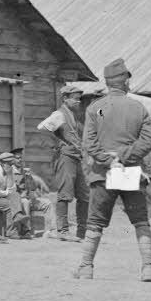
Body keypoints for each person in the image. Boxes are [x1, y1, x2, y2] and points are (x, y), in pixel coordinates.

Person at [76, 57, 151, 282]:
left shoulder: (96, 109)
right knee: (140, 220)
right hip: (130, 173)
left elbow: (89, 144)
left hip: (102, 174)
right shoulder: (138, 108)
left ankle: (86, 268)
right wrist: (123, 156)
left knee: (94, 222)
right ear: (125, 82)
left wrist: (109, 159)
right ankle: (148, 268)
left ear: (107, 83)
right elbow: (147, 142)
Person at [38, 83, 91, 241]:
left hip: (76, 157)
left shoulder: (73, 115)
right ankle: (63, 230)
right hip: (65, 157)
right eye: (75, 99)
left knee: (85, 195)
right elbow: (42, 129)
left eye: (79, 99)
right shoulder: (59, 114)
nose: (78, 102)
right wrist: (58, 144)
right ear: (65, 98)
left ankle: (82, 231)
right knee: (65, 194)